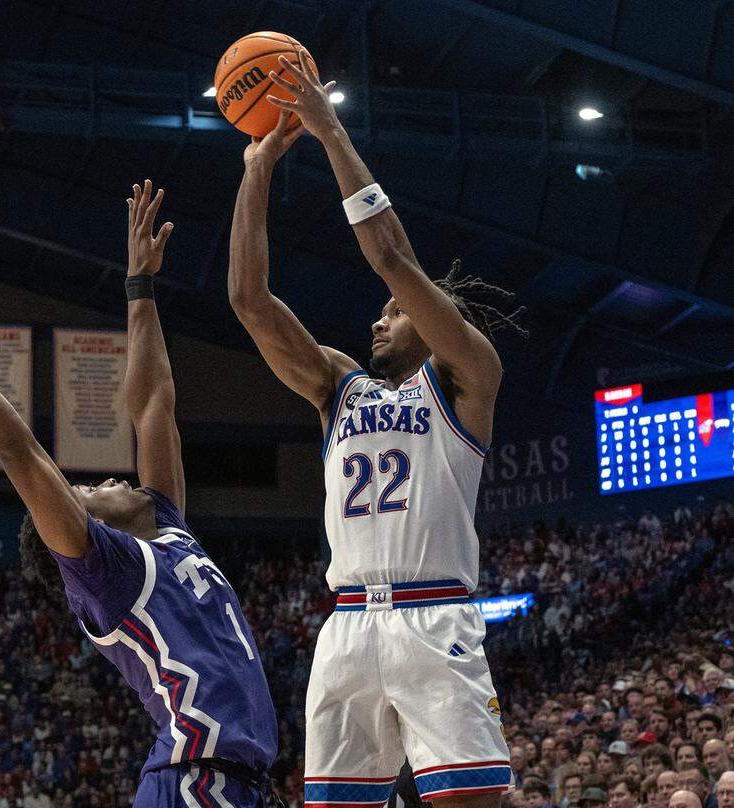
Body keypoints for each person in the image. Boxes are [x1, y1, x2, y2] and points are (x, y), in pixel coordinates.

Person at [0, 180, 279, 807]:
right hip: (193, 782)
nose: (105, 479)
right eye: (89, 491)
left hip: (233, 781)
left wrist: (140, 287)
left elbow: (154, 405)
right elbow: (20, 450)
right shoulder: (108, 573)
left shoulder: (168, 524)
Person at [227, 47, 525, 808]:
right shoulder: (338, 388)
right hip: (350, 625)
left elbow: (392, 257)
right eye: (383, 312)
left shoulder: (466, 377)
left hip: (435, 618)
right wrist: (254, 176)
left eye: (395, 313)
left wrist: (331, 135)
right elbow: (249, 302)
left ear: (433, 320)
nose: (378, 318)